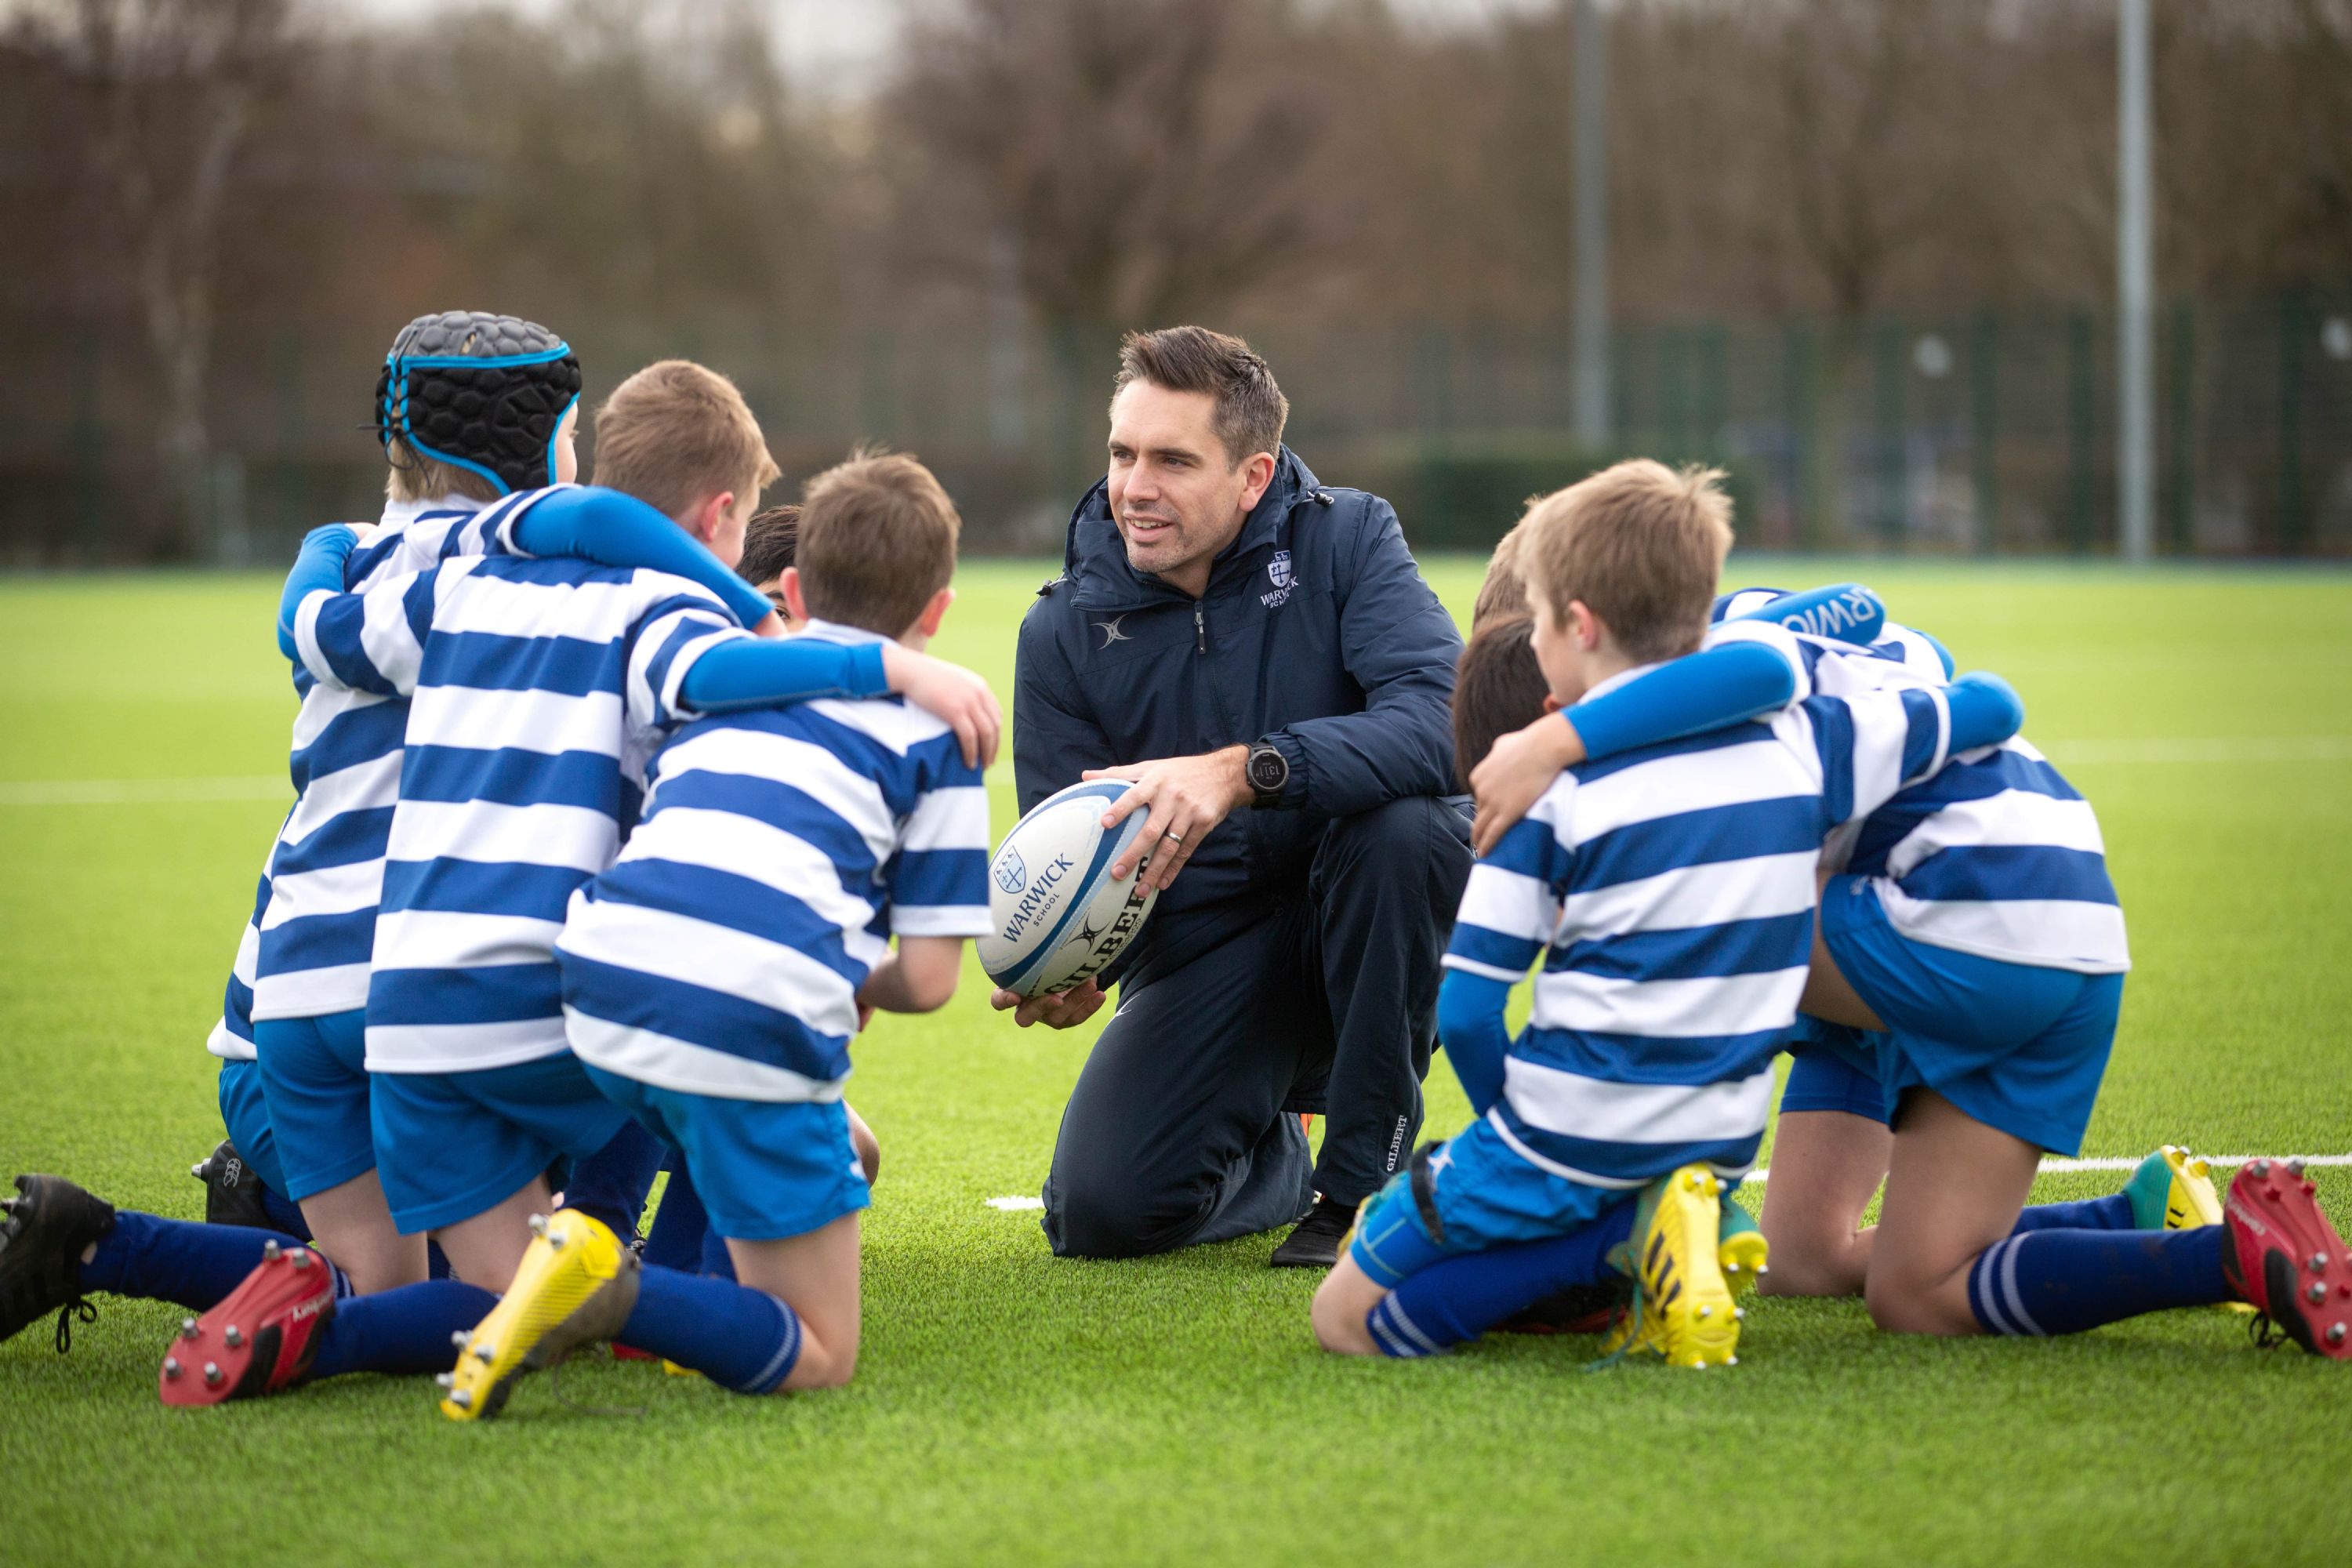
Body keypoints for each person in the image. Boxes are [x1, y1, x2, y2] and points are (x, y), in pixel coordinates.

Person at [1461, 572, 2352, 1356]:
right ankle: (2217, 1246)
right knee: (1867, 1278)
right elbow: (1916, 647)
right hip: (2047, 909)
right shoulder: (1757, 631)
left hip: (1963, 911)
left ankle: (1650, 1205)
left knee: (1675, 914)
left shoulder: (1696, 684)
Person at [1309, 460, 2027, 1364]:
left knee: (1353, 1306)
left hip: (1930, 913)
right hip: (1891, 929)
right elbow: (1942, 666)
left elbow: (1469, 1012)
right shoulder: (1763, 717)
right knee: (1809, 1257)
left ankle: (1621, 1224)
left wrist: (1559, 744)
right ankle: (1669, 1207)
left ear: (1576, 633)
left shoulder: (1683, 701)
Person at [444, 452, 992, 1417]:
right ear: (938, 611)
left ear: (792, 592)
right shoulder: (941, 727)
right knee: (821, 1347)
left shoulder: (723, 684)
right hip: (740, 1012)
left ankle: (630, 1267)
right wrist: (850, 965)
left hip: (597, 993)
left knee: (764, 1122)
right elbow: (930, 980)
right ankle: (605, 1279)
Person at [1001, 325, 1471, 1266]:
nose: (1135, 486)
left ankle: (1360, 1189)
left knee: (1405, 827)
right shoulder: (1060, 630)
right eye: (1123, 454)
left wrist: (1243, 772)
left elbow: (1447, 724)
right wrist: (1069, 962)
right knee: (1101, 1215)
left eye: (1173, 461)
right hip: (1208, 951)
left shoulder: (1347, 540)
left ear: (1254, 476)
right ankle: (1276, 1157)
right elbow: (1070, 844)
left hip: (1369, 917)